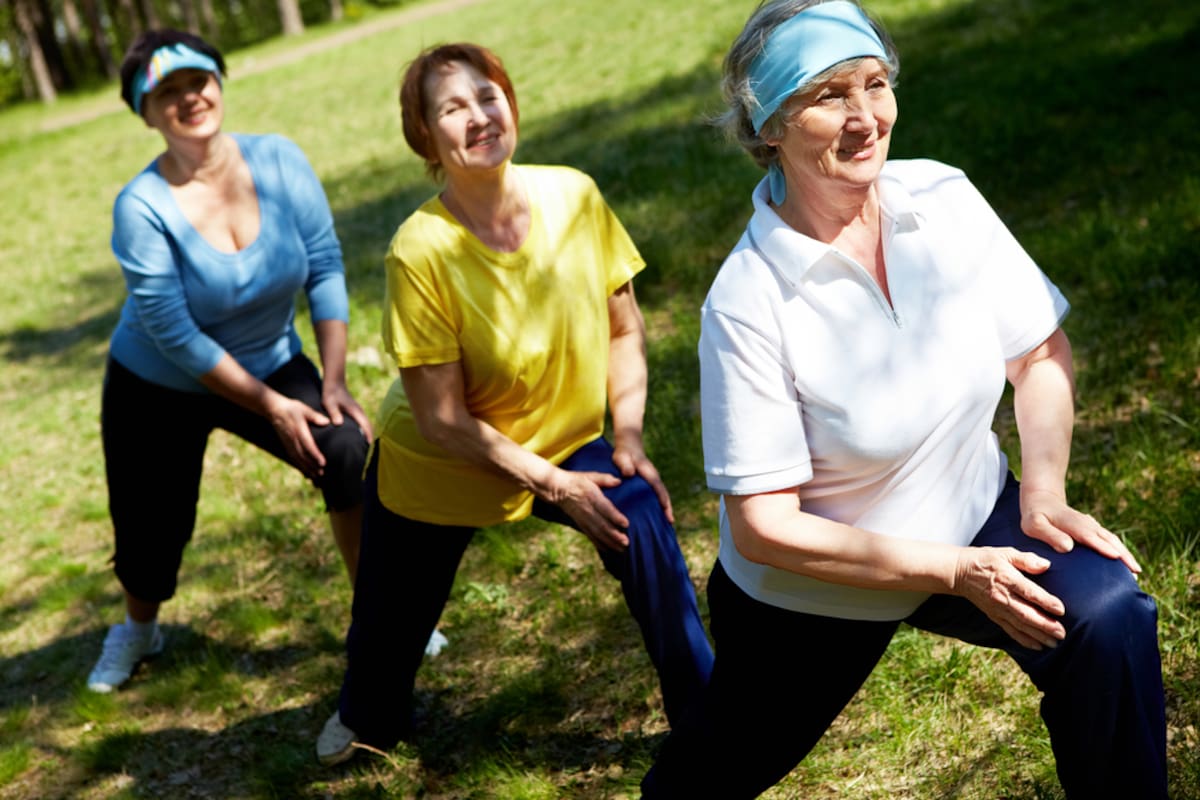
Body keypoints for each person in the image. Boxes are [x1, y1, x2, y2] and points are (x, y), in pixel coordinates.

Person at [640, 2, 1168, 798]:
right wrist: (955, 572)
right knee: (710, 777)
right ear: (768, 125)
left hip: (973, 512)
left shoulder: (941, 197)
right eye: (827, 95)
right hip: (819, 587)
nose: (864, 118)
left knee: (1108, 616)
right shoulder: (747, 299)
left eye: (875, 84)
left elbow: (1037, 351)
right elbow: (765, 524)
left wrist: (1044, 491)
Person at [315, 42, 714, 765]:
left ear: (511, 102)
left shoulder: (576, 196)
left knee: (641, 518)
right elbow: (440, 419)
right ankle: (367, 708)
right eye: (452, 108)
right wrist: (550, 483)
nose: (478, 116)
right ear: (425, 138)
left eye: (487, 95)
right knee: (384, 649)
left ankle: (709, 719)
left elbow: (625, 329)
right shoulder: (420, 251)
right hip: (441, 465)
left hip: (564, 439)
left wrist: (627, 437)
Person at [88, 29, 373, 693]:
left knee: (347, 448)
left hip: (271, 357)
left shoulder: (278, 161)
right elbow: (176, 335)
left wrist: (331, 380)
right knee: (150, 532)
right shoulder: (141, 208)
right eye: (168, 92)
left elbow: (325, 265)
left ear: (219, 82)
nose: (191, 98)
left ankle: (377, 617)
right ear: (146, 111)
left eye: (199, 81)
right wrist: (272, 406)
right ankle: (137, 629)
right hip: (156, 382)